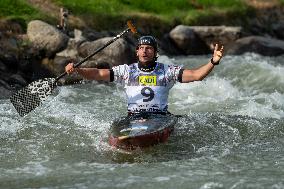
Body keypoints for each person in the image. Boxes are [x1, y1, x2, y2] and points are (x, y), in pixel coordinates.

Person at [65, 36, 224, 115]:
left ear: (155, 53)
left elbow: (196, 75)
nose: (144, 51)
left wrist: (213, 61)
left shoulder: (167, 71)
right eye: (141, 48)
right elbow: (99, 73)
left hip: (159, 118)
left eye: (149, 48)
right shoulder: (126, 71)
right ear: (137, 52)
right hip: (134, 117)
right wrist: (78, 70)